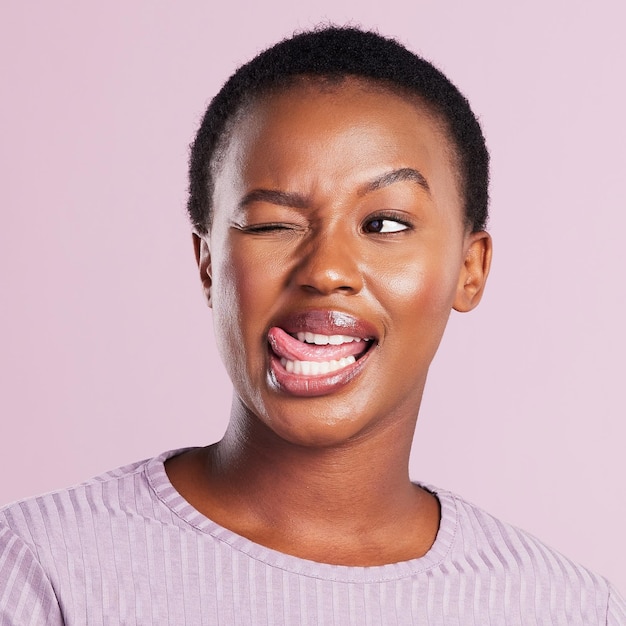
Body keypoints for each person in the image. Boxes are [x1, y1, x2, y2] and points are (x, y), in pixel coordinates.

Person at [0, 26, 624, 625]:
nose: (326, 271)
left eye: (385, 225)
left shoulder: (566, 607)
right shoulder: (44, 569)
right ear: (209, 264)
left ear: (470, 268)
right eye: (273, 224)